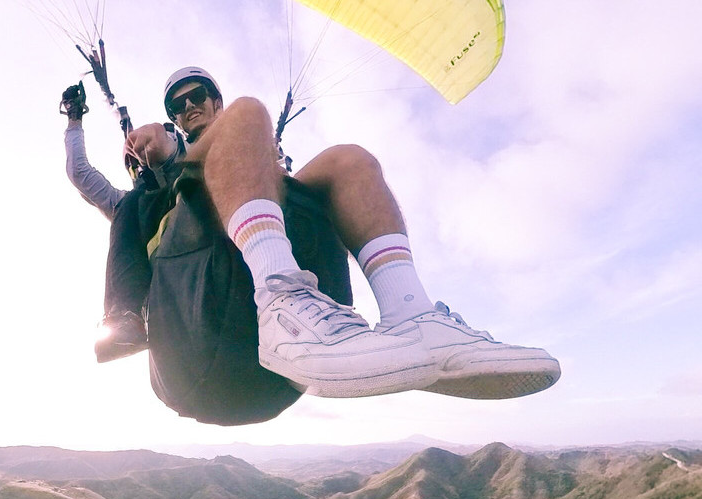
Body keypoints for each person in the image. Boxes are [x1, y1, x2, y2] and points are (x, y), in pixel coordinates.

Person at [117, 67, 559, 423]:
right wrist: (146, 145)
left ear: (214, 99)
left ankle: (412, 316)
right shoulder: (168, 168)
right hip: (195, 344)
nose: (190, 106)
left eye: (198, 96)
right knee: (249, 111)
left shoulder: (249, 152)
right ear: (173, 118)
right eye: (179, 104)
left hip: (275, 379)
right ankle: (280, 296)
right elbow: (89, 181)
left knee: (349, 160)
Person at [61, 83, 155, 362]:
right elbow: (78, 171)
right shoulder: (125, 204)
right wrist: (74, 118)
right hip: (153, 290)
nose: (140, 167)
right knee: (130, 204)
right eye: (135, 164)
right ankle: (124, 316)